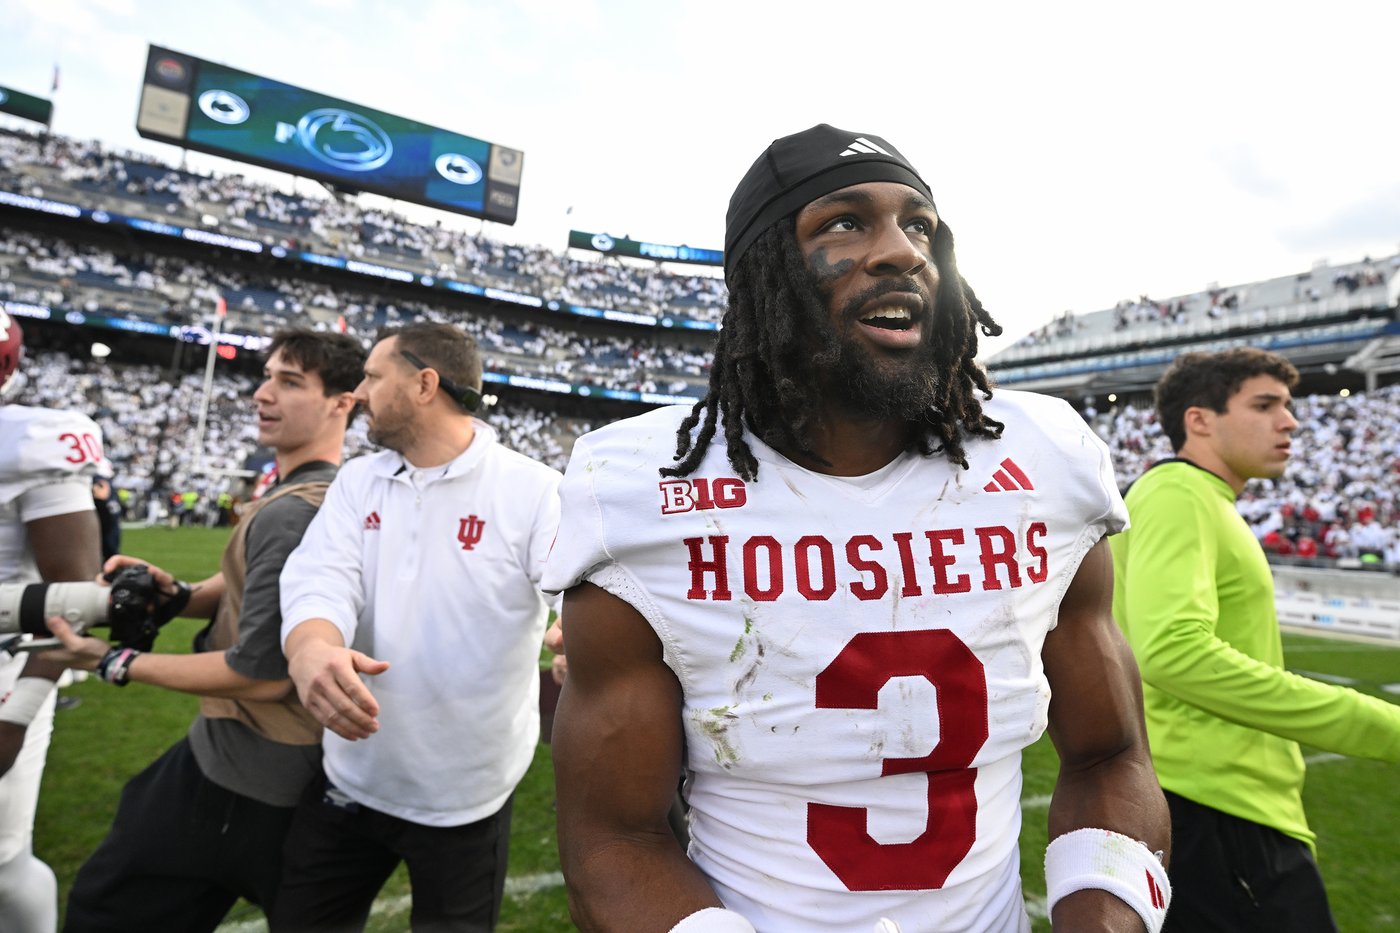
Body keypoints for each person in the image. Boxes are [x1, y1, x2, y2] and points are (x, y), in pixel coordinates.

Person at [542, 124, 1172, 933]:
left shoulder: (1043, 459)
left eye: (921, 226)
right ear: (764, 271)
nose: (902, 251)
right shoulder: (640, 486)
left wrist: (1105, 918)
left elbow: (1110, 754)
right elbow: (612, 835)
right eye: (844, 222)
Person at [46, 328, 364, 931]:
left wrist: (110, 661)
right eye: (267, 376)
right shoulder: (321, 492)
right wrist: (179, 595)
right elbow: (260, 590)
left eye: (289, 382)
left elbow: (262, 673)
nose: (262, 394)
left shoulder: (296, 511)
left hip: (249, 773)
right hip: (279, 769)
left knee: (108, 908)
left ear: (342, 403)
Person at [276, 322, 562, 932]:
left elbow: (576, 597)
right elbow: (320, 579)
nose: (359, 392)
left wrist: (579, 639)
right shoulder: (359, 480)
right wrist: (311, 648)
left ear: (424, 384)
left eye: (375, 377)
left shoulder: (533, 491)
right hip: (353, 773)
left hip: (466, 795)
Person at [1109, 347, 1400, 932]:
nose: (1290, 420)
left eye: (1287, 406)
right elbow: (1173, 652)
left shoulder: (1201, 500)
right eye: (1265, 405)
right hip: (1215, 805)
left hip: (1221, 806)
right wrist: (1381, 726)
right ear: (1200, 420)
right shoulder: (1178, 493)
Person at [0, 309, 104, 931]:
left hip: (5, 667)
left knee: (3, 864)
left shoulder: (29, 440)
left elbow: (76, 602)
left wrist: (15, 718)